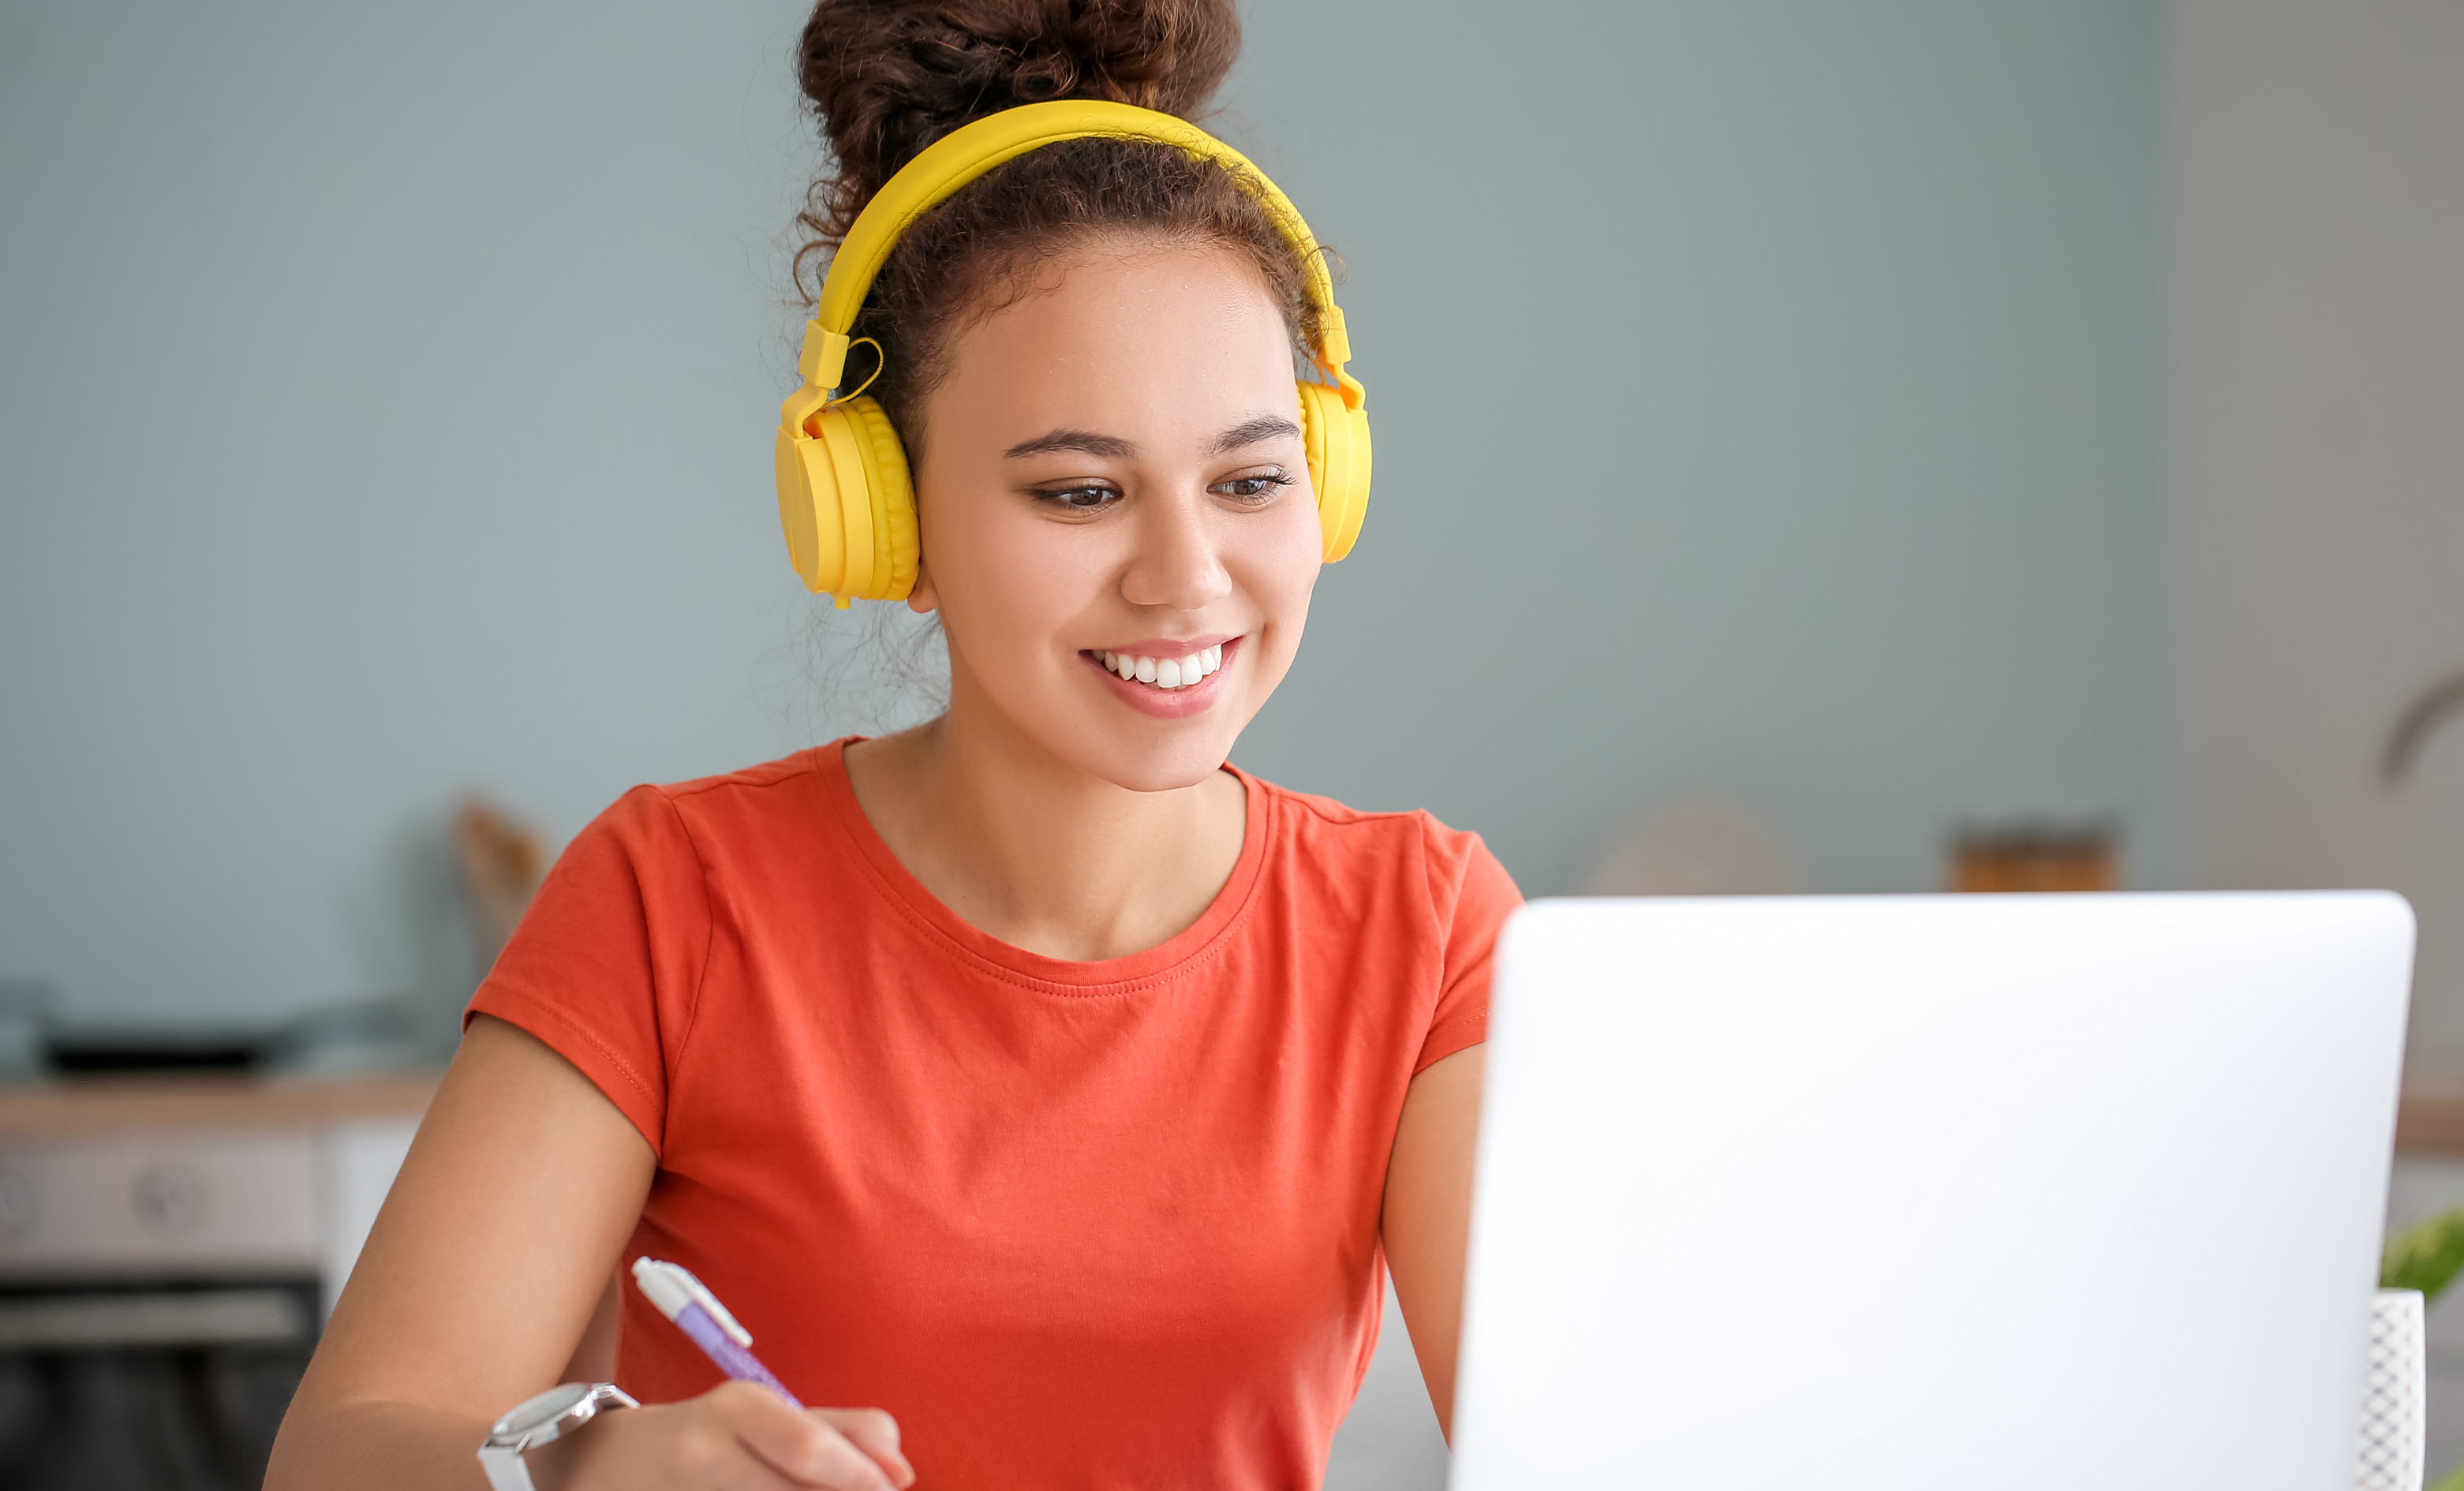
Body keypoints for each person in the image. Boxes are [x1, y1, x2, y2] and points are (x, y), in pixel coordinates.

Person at [263, 2, 1521, 1487]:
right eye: (1077, 494)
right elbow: (338, 1456)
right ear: (883, 522)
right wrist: (588, 1475)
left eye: (1251, 480)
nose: (1187, 574)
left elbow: (1602, 1437)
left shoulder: (1426, 931)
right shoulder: (673, 900)